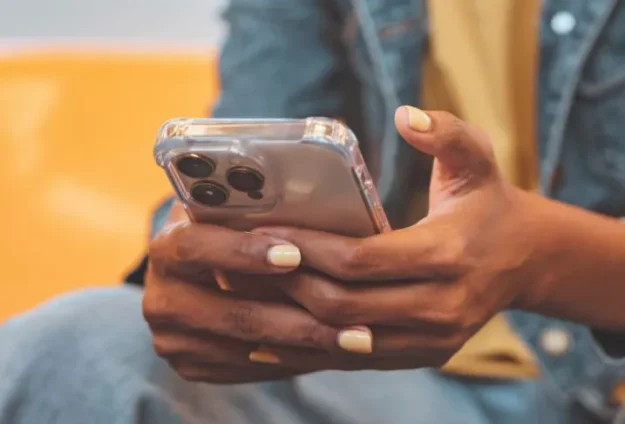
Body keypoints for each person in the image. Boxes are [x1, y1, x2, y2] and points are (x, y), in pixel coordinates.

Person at [2, 0, 625, 422]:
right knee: (71, 347)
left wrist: (539, 262)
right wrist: (202, 274)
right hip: (378, 366)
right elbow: (253, 137)